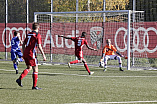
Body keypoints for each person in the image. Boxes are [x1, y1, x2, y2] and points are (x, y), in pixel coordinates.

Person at [16, 22, 46, 90]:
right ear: (38, 28)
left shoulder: (29, 34)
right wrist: (43, 55)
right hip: (31, 54)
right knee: (35, 68)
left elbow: (23, 44)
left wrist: (24, 53)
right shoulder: (37, 35)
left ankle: (19, 79)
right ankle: (34, 86)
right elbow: (39, 46)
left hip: (26, 52)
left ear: (32, 28)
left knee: (29, 67)